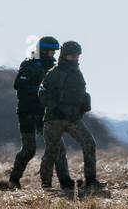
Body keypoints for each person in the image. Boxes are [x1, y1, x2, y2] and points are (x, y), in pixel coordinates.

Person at [37, 40, 105, 195]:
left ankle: (91, 180)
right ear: (64, 55)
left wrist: (83, 104)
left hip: (73, 118)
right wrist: (56, 108)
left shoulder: (77, 72)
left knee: (89, 143)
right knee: (52, 151)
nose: (75, 58)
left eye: (77, 55)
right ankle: (46, 185)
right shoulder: (55, 72)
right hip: (54, 119)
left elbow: (80, 93)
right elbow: (42, 93)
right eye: (72, 55)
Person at [7, 36, 68, 189]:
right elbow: (19, 85)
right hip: (27, 112)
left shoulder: (54, 68)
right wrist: (42, 91)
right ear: (42, 51)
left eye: (54, 52)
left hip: (45, 114)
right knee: (29, 150)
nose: (52, 55)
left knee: (59, 147)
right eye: (50, 52)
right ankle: (13, 180)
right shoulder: (29, 65)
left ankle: (65, 182)